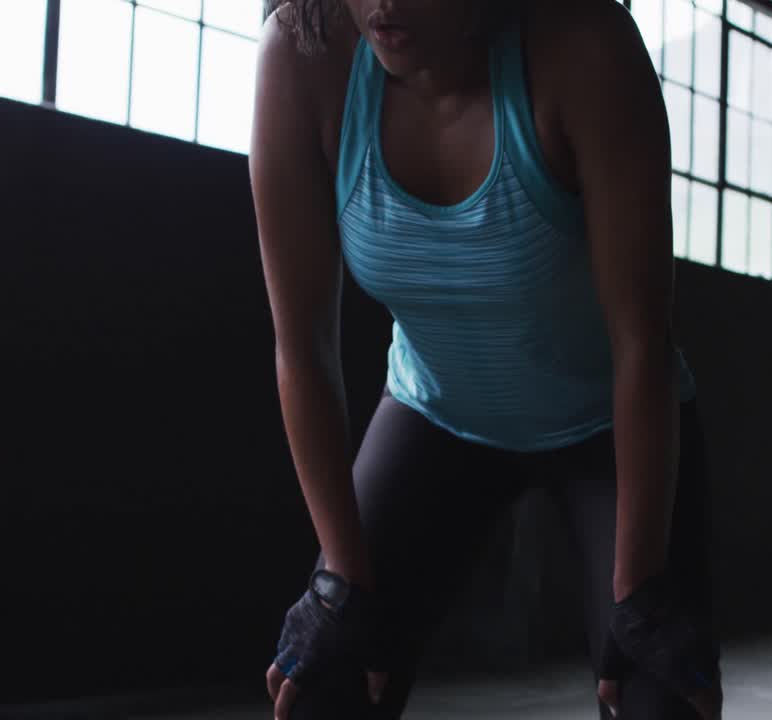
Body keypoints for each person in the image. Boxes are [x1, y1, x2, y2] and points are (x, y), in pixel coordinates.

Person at [249, 0, 722, 717]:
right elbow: (303, 349)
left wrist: (640, 594)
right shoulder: (302, 54)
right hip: (434, 413)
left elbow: (641, 343)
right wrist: (339, 580)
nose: (383, 2)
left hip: (607, 423)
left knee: (657, 694)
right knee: (323, 685)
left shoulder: (584, 47)